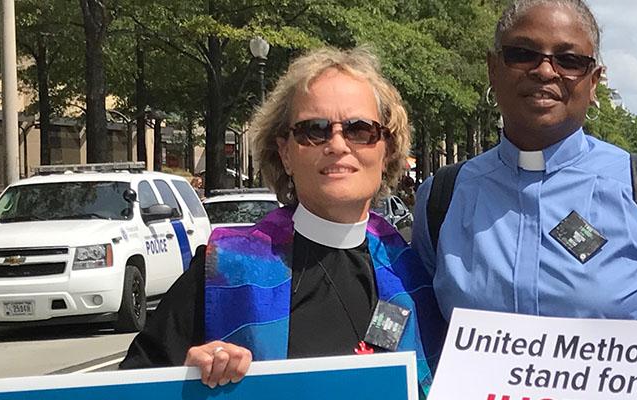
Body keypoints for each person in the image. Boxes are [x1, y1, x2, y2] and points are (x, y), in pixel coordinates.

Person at [121, 48, 444, 394]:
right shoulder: (225, 271)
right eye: (314, 130)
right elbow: (128, 386)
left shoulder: (418, 280)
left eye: (359, 130)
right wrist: (184, 377)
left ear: (387, 150)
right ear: (286, 153)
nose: (336, 144)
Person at [411, 0, 637, 323]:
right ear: (493, 68)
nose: (545, 71)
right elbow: (424, 345)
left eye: (569, 60)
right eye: (523, 53)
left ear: (594, 82)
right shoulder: (442, 199)